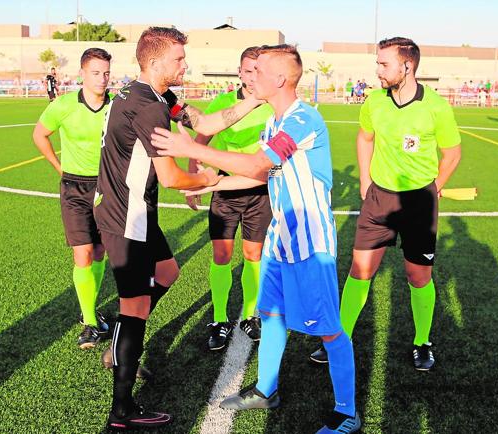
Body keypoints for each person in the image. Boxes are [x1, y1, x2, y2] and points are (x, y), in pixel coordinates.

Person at [151, 44, 360, 434]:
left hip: (310, 244)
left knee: (329, 328)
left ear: (279, 79)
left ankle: (347, 412)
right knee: (271, 315)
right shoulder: (274, 123)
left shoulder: (302, 120)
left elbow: (256, 164)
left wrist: (192, 150)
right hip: (281, 239)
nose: (251, 77)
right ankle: (266, 389)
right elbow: (260, 176)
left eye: (258, 70)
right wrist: (209, 184)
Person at [93, 27, 263, 430]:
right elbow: (170, 177)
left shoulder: (156, 96)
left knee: (168, 272)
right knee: (133, 308)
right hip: (124, 216)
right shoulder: (146, 107)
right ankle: (122, 410)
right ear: (154, 62)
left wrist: (257, 98)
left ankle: (121, 343)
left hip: (136, 211)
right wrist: (210, 179)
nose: (186, 65)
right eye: (179, 60)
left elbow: (208, 120)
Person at [309, 37, 461, 372]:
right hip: (378, 198)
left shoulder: (436, 107)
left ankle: (422, 341)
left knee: (417, 276)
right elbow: (364, 137)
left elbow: (452, 154)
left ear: (407, 66)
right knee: (359, 271)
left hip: (418, 202)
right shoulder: (375, 102)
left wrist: (434, 187)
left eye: (383, 63)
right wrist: (364, 178)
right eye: (377, 62)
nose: (377, 70)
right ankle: (338, 337)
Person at [189, 46, 274, 351]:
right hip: (225, 190)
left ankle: (251, 316)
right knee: (222, 256)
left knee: (253, 256)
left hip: (261, 191)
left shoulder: (274, 105)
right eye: (248, 70)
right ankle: (220, 319)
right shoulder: (223, 103)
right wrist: (194, 175)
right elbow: (201, 137)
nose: (254, 77)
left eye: (259, 70)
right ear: (239, 72)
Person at [33, 48, 113, 349]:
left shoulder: (115, 107)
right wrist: (59, 167)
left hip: (107, 188)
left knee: (100, 252)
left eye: (106, 72)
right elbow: (39, 135)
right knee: (83, 254)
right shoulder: (64, 105)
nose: (102, 79)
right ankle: (91, 324)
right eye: (96, 72)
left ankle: (90, 306)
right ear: (82, 74)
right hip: (74, 189)